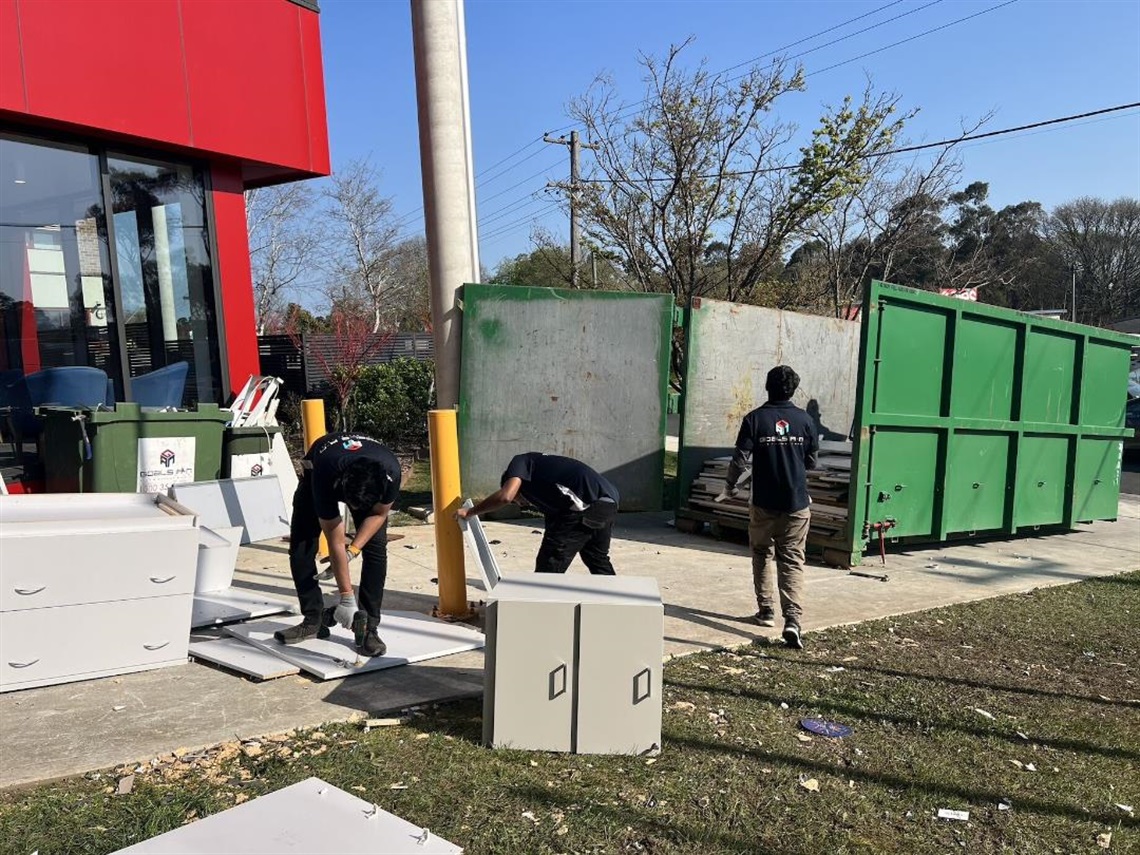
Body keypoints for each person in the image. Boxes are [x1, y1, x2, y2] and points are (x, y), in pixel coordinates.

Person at [273, 431, 401, 657]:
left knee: (376, 550)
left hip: (363, 473)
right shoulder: (325, 476)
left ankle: (369, 627)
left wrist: (352, 551)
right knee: (302, 545)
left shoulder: (390, 473)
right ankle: (314, 619)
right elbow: (335, 539)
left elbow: (379, 514)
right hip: (320, 467)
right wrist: (346, 598)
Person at [719, 365, 818, 650]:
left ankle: (766, 611)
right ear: (794, 390)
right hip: (797, 503)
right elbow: (812, 462)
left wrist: (730, 487)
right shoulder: (805, 421)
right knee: (792, 559)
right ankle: (793, 620)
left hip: (763, 502)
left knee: (762, 553)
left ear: (766, 387)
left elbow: (740, 459)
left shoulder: (754, 419)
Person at [456, 452, 619, 575]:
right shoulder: (547, 487)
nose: (520, 503)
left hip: (588, 504)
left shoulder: (521, 462)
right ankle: (617, 605)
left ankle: (542, 611)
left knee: (549, 564)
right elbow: (555, 525)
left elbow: (506, 496)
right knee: (597, 559)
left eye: (517, 500)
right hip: (608, 502)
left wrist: (470, 512)